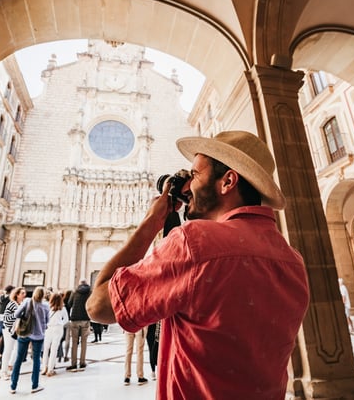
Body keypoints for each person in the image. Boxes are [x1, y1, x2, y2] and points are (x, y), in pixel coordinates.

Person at [87, 130, 310, 399]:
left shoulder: (194, 244)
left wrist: (151, 224)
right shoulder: (292, 259)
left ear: (227, 181)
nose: (188, 186)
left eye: (194, 175)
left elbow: (98, 306)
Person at [9, 286, 50, 394]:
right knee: (36, 360)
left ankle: (13, 386)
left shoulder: (27, 301)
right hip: (38, 335)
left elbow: (16, 314)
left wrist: (25, 317)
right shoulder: (46, 305)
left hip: (24, 334)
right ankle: (34, 385)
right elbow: (47, 321)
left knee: (18, 359)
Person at [2, 287, 27, 380]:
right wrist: (17, 314)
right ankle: (4, 371)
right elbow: (6, 318)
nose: (24, 295)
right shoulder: (12, 304)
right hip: (9, 330)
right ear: (17, 295)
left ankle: (10, 365)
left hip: (17, 330)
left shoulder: (21, 304)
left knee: (17, 350)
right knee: (8, 350)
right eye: (22, 293)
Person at [41, 292, 68, 377]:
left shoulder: (47, 307)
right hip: (58, 329)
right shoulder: (62, 308)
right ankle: (50, 369)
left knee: (46, 349)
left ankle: (44, 368)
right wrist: (60, 324)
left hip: (49, 329)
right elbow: (66, 319)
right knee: (54, 349)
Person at [67, 279, 91, 372]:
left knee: (74, 342)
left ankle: (73, 364)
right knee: (84, 342)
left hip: (75, 319)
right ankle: (82, 362)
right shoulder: (90, 292)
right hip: (85, 319)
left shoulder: (75, 292)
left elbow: (69, 304)